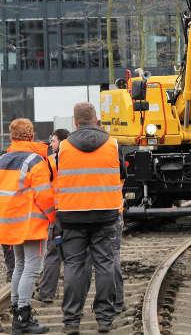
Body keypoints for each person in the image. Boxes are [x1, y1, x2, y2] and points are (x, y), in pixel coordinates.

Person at [54, 103, 122, 334]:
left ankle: (71, 321)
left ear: (75, 122)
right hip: (105, 214)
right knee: (105, 265)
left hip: (72, 216)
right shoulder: (112, 144)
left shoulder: (63, 147)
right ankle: (104, 319)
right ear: (96, 119)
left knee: (73, 266)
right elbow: (121, 174)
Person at [0, 118, 55, 334]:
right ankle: (23, 316)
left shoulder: (3, 159)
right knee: (32, 268)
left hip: (10, 223)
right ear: (31, 135)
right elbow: (44, 196)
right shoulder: (35, 161)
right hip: (31, 223)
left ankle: (17, 313)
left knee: (19, 267)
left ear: (12, 136)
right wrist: (52, 217)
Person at [35, 129, 70, 303]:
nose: (51, 144)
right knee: (75, 255)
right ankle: (73, 295)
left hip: (56, 215)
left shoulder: (49, 162)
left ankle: (47, 293)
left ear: (62, 142)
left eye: (54, 141)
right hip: (74, 212)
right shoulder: (78, 160)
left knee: (53, 253)